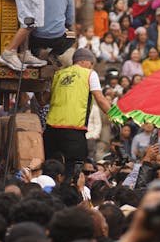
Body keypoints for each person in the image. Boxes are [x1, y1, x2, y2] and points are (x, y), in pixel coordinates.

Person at [43, 47, 110, 177]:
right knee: (72, 172)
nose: (92, 66)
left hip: (51, 130)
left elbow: (43, 100)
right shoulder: (90, 74)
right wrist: (116, 115)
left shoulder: (58, 74)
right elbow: (100, 99)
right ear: (85, 61)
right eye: (91, 63)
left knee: (50, 169)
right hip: (73, 131)